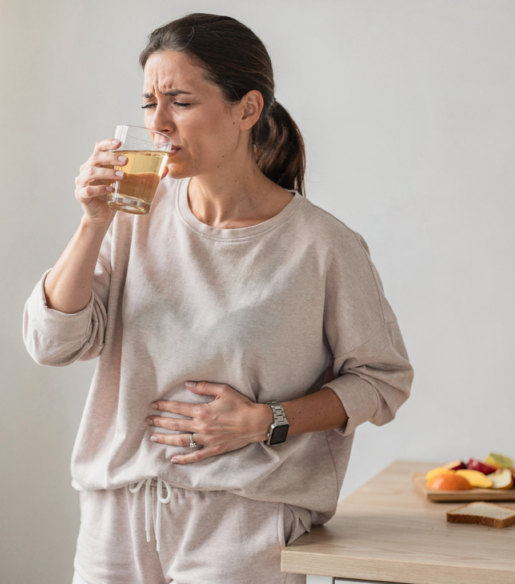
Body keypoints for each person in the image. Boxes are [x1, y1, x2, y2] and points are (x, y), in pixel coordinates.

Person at [22, 13, 413, 584]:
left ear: (247, 109)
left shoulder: (323, 246)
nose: (158, 124)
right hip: (115, 522)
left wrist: (267, 421)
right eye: (148, 103)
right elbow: (51, 344)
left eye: (179, 101)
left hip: (244, 526)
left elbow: (382, 380)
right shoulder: (131, 217)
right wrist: (91, 224)